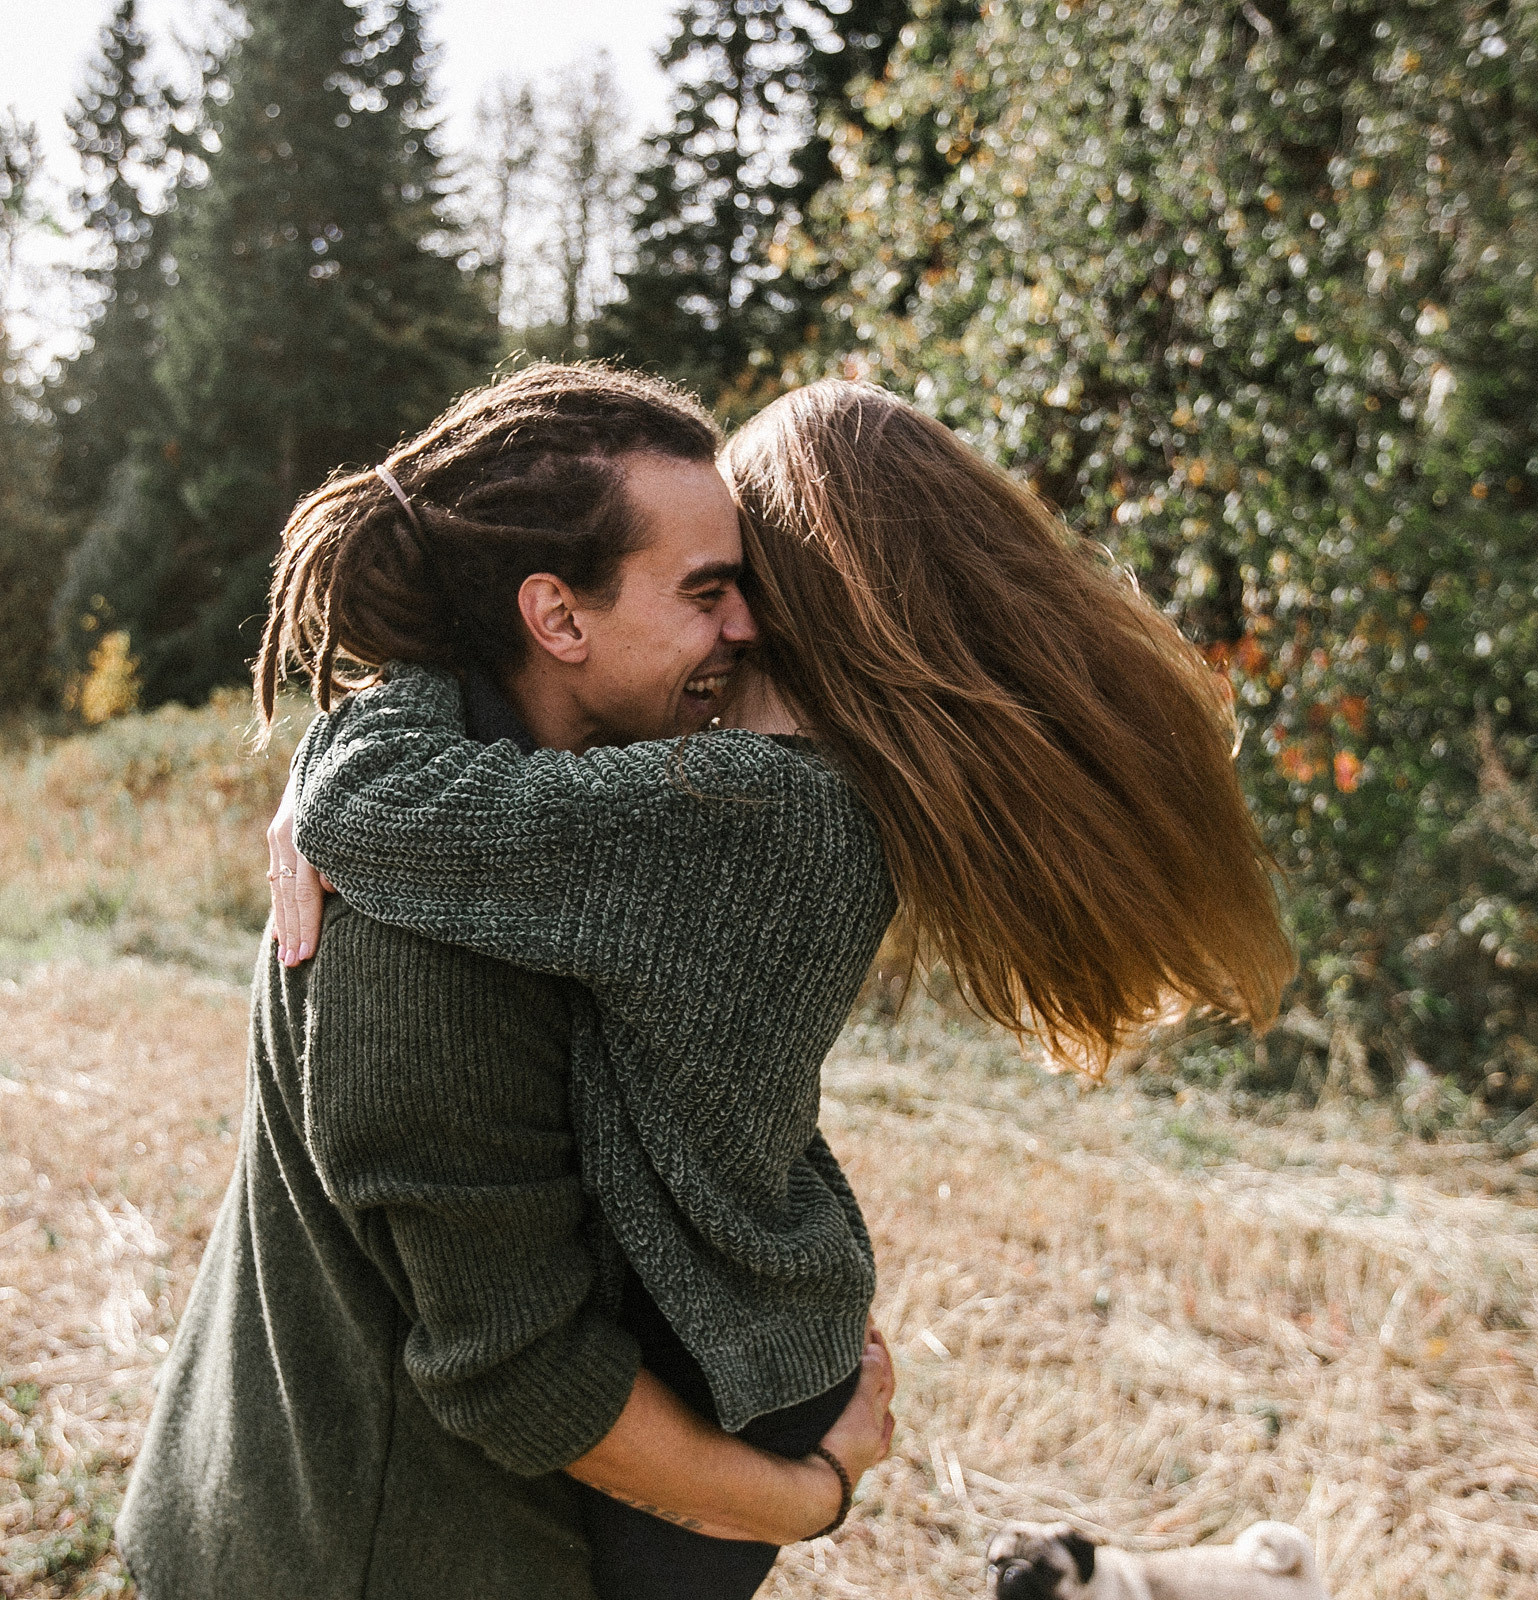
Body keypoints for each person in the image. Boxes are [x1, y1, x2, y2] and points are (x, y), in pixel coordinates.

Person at [266, 378, 1299, 1597]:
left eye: (736, 578)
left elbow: (386, 813)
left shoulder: (748, 811)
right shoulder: (787, 781)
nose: (735, 620)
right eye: (711, 588)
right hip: (753, 1338)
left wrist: (327, 765)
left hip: (718, 1374)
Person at [114, 364, 895, 1600]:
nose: (744, 627)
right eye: (707, 592)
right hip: (373, 1554)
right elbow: (528, 1377)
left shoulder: (507, 819)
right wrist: (815, 1492)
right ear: (558, 617)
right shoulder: (423, 933)